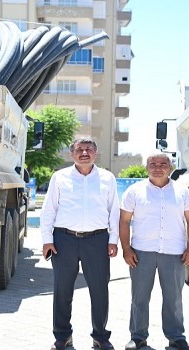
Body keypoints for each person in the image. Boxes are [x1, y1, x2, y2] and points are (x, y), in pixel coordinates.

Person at [41, 137, 120, 350]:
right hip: (63, 240)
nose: (84, 153)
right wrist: (47, 240)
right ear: (72, 154)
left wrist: (113, 240)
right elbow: (49, 210)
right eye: (79, 149)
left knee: (99, 290)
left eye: (88, 149)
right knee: (62, 290)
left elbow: (114, 211)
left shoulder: (107, 178)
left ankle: (101, 337)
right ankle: (62, 336)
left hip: (97, 240)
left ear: (96, 152)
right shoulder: (59, 177)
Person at [119, 154, 189, 350]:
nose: (158, 168)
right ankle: (138, 336)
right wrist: (126, 248)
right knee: (140, 296)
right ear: (146, 167)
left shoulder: (182, 191)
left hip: (174, 252)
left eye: (163, 164)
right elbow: (124, 221)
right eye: (153, 164)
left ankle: (176, 336)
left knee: (174, 297)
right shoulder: (134, 191)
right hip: (141, 252)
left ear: (170, 167)